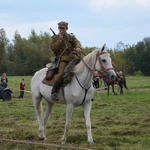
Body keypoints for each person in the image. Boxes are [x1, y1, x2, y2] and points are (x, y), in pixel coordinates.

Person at [50, 21, 82, 101]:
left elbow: (77, 42)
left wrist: (78, 47)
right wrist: (60, 40)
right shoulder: (55, 38)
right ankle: (54, 92)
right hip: (63, 59)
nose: (61, 30)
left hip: (74, 58)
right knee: (61, 74)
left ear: (66, 28)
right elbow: (53, 48)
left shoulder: (71, 37)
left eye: (63, 28)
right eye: (60, 28)